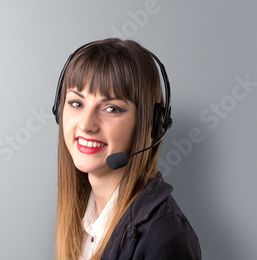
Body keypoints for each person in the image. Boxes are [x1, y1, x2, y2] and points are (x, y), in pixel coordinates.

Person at [52, 38, 201, 260]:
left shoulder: (164, 236)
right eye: (77, 103)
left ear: (149, 124)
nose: (86, 124)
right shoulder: (84, 214)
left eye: (111, 108)